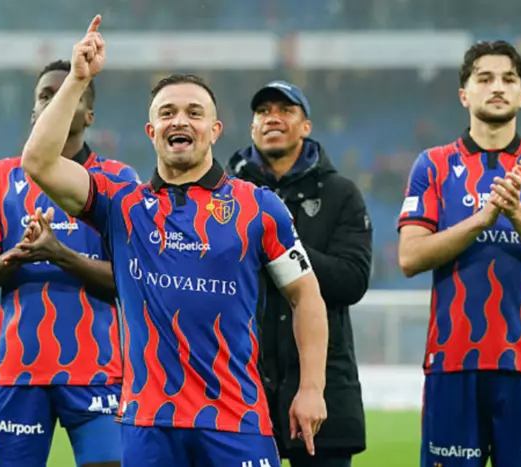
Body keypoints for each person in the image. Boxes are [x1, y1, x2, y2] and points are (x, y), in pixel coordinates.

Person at [19, 15, 329, 467]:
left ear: (215, 131)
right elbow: (38, 161)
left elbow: (306, 294)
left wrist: (312, 388)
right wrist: (77, 80)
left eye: (194, 113)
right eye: (166, 113)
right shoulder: (120, 204)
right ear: (152, 132)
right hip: (148, 426)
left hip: (236, 423)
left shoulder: (260, 207)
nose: (179, 120)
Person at [398, 40, 521, 467]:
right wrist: (481, 220)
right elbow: (409, 257)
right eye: (485, 79)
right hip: (453, 363)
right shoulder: (433, 165)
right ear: (464, 94)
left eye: (508, 79)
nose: (497, 87)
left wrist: (516, 213)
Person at [0, 59, 139, 467]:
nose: (55, 102)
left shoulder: (119, 181)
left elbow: (130, 282)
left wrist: (58, 253)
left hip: (98, 373)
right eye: (46, 95)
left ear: (89, 114)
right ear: (34, 111)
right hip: (20, 373)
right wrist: (18, 254)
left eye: (68, 94)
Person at [227, 81, 371, 467]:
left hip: (324, 388)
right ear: (252, 127)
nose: (272, 118)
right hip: (242, 386)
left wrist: (282, 247)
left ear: (306, 126)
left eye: (285, 110)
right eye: (263, 112)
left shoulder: (341, 194)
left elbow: (353, 280)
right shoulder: (225, 195)